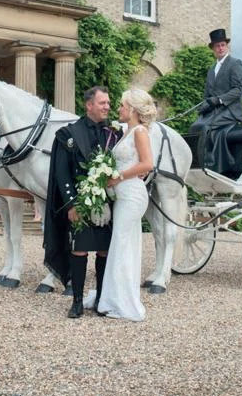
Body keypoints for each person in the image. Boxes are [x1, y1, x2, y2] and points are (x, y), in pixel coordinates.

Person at [43, 86, 122, 319]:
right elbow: (62, 173)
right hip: (81, 201)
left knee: (104, 251)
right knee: (79, 250)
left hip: (108, 203)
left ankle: (100, 299)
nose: (107, 106)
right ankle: (77, 301)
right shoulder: (68, 134)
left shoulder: (114, 133)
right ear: (89, 105)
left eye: (108, 103)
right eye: (102, 103)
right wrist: (71, 204)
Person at [96, 88, 155, 321]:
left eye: (121, 105)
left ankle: (121, 302)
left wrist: (118, 177)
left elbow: (147, 164)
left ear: (131, 109)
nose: (118, 109)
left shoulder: (140, 131)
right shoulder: (126, 131)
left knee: (121, 243)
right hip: (123, 195)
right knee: (123, 244)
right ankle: (114, 297)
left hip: (131, 195)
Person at [189, 28, 242, 174]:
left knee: (207, 126)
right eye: (217, 46)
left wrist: (219, 99)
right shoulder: (212, 69)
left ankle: (213, 164)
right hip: (214, 110)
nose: (220, 48)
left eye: (222, 45)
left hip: (231, 110)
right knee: (195, 126)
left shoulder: (235, 64)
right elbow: (207, 95)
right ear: (213, 49)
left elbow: (238, 89)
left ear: (227, 46)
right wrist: (204, 105)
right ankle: (197, 163)